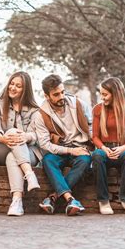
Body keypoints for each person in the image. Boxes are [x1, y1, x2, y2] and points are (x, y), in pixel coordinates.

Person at [33, 74, 92, 216]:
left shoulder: (78, 104)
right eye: (56, 94)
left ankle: (52, 197)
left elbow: (91, 127)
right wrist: (70, 151)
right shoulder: (40, 115)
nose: (61, 96)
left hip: (80, 146)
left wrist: (88, 147)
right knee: (48, 160)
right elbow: (45, 144)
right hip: (59, 151)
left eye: (62, 92)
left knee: (85, 160)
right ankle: (70, 199)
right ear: (47, 96)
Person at [0, 71, 41, 216]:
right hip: (2, 148)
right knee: (12, 132)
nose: (13, 88)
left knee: (12, 158)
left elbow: (36, 134)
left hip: (29, 152)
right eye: (11, 84)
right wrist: (3, 138)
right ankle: (29, 174)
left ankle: (17, 201)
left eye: (18, 86)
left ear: (25, 90)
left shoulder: (34, 111)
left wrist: (26, 137)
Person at [91, 77, 125, 215]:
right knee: (97, 156)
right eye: (101, 94)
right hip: (104, 149)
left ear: (115, 93)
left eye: (105, 94)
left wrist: (123, 148)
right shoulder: (98, 109)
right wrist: (103, 148)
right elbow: (94, 137)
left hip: (122, 149)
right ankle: (103, 201)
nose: (102, 97)